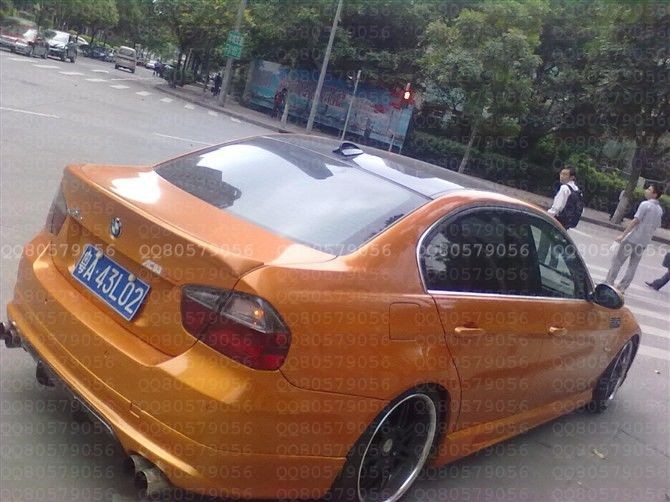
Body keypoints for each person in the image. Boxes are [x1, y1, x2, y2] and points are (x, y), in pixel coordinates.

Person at [605, 182, 664, 293]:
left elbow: (635, 221)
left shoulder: (645, 205)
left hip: (632, 238)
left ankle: (609, 282)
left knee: (617, 261)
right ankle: (622, 287)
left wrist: (623, 235)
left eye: (649, 189)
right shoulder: (659, 210)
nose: (646, 191)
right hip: (644, 242)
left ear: (655, 194)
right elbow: (656, 226)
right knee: (633, 265)